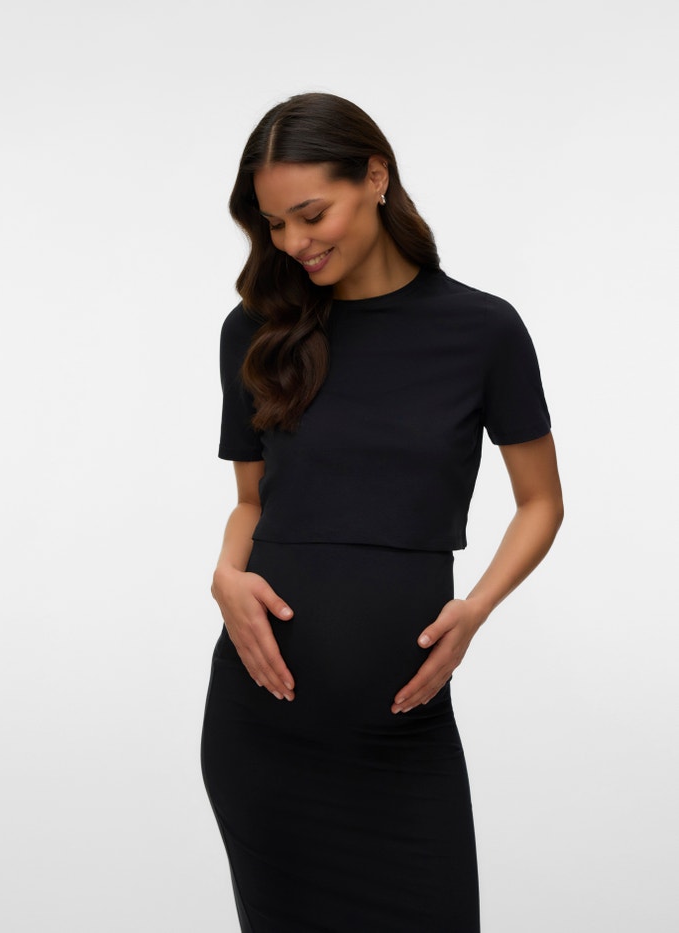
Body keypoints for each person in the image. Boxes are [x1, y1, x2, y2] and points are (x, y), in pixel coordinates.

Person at [200, 91, 564, 933]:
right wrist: (225, 575)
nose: (294, 242)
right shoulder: (255, 331)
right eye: (274, 224)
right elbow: (252, 502)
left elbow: (541, 501)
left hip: (403, 738)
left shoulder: (482, 330)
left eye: (311, 214)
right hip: (265, 735)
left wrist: (475, 608)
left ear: (375, 177)